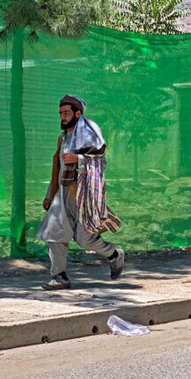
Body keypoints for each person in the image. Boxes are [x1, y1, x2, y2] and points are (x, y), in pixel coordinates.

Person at [37, 94, 124, 290]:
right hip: (62, 195)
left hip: (84, 195)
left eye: (66, 113)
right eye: (61, 113)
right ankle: (60, 277)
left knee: (85, 239)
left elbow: (101, 162)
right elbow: (57, 168)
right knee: (54, 233)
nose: (63, 117)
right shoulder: (62, 138)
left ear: (77, 114)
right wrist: (50, 194)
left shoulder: (89, 134)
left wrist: (78, 159)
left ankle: (114, 254)